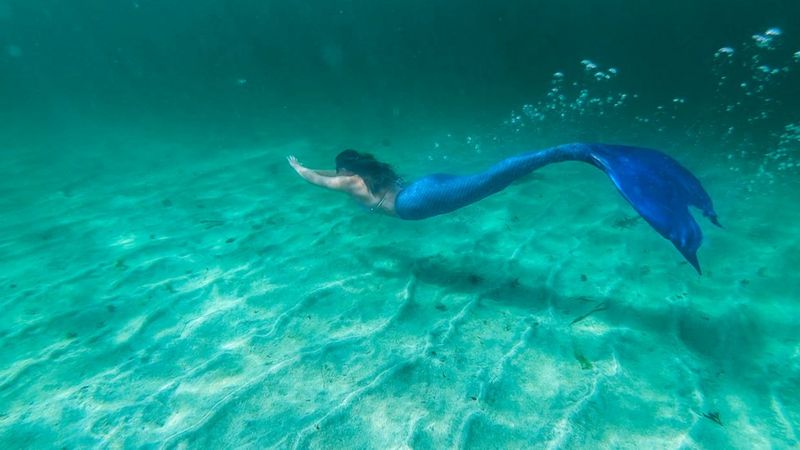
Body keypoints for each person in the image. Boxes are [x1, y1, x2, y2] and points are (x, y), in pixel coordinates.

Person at [288, 143, 721, 273]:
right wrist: (315, 164)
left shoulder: (348, 182)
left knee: (492, 180)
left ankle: (573, 151)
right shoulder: (367, 174)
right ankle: (537, 165)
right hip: (423, 188)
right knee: (490, 179)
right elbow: (336, 170)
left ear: (346, 170)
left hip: (417, 202)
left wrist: (298, 168)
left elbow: (321, 178)